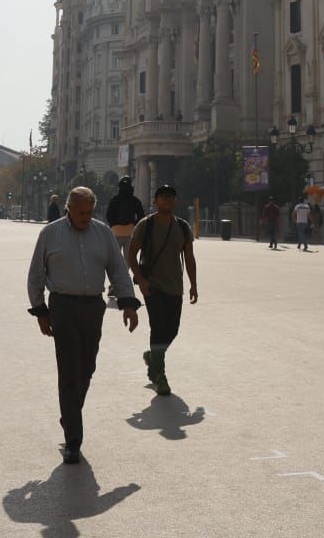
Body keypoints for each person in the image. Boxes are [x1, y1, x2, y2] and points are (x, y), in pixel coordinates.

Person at [27, 186, 139, 464]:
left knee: (87, 367)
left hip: (93, 307)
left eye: (90, 212)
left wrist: (128, 302)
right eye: (81, 213)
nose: (86, 217)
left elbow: (118, 269)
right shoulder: (50, 234)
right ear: (69, 209)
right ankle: (74, 440)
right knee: (69, 370)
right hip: (62, 307)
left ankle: (69, 415)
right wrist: (40, 310)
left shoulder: (103, 233)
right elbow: (36, 274)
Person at [128, 184, 197, 398]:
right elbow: (131, 255)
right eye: (162, 197)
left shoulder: (183, 227)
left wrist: (193, 284)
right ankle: (160, 375)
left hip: (175, 286)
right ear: (155, 201)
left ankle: (153, 357)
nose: (167, 201)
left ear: (175, 201)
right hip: (153, 286)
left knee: (172, 329)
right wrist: (141, 281)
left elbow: (189, 257)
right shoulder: (145, 225)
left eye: (171, 198)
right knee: (158, 328)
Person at [105, 178, 144, 259]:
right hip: (130, 232)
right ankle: (125, 272)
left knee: (115, 259)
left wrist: (113, 225)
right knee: (128, 258)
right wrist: (133, 224)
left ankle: (118, 272)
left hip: (116, 232)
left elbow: (108, 215)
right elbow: (141, 216)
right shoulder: (135, 200)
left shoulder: (114, 200)